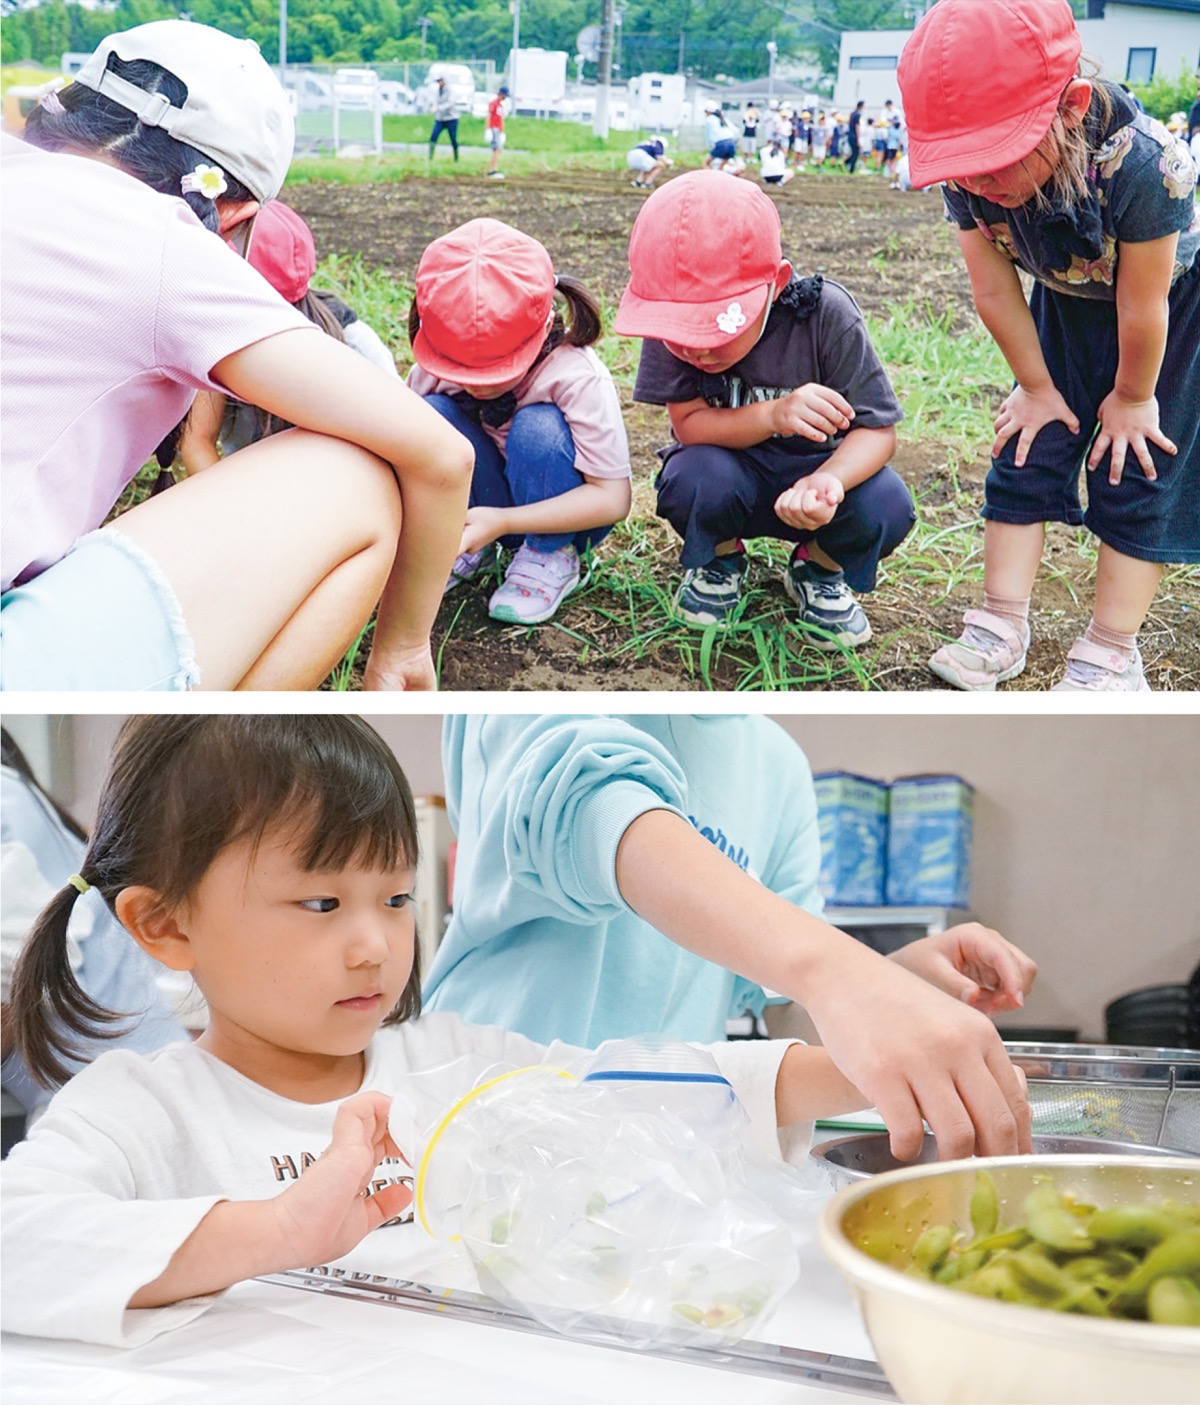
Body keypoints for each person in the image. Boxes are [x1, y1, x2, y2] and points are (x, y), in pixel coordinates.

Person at [1, 713, 888, 1347]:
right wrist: (274, 1231)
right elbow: (18, 1245)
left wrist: (859, 1062)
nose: (374, 944)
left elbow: (627, 1083)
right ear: (165, 924)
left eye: (393, 898)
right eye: (320, 901)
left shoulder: (449, 1062)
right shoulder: (140, 1109)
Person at [0, 21, 472, 693]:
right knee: (354, 477)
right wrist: (401, 645)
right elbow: (442, 454)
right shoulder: (159, 242)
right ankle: (200, 746)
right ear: (235, 209)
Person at [425, 714, 1036, 1165]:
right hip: (483, 1117)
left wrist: (895, 982)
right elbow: (592, 810)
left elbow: (782, 1005)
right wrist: (845, 974)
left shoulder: (777, 762)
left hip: (653, 1151)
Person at [898, 0, 1200, 692]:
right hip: (1066, 303)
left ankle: (1110, 655)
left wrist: (1132, 397)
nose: (978, 186)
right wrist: (1035, 386)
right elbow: (996, 292)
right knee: (1026, 445)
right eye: (962, 168)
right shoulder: (969, 177)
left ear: (1071, 107)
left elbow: (1143, 302)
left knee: (1135, 463)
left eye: (995, 164)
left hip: (1171, 316)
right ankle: (1001, 624)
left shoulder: (1147, 167)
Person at [613, 171, 915, 646]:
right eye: (683, 332)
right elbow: (689, 426)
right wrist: (774, 414)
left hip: (817, 486)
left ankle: (817, 567)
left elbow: (878, 431)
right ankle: (720, 558)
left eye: (716, 329)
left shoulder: (825, 315)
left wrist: (829, 482)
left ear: (776, 284)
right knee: (691, 478)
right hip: (731, 476)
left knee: (886, 503)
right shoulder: (668, 328)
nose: (698, 352)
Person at [406, 219, 632, 625]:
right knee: (433, 415)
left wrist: (505, 521)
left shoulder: (576, 377)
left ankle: (549, 555)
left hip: (564, 515)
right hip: (482, 512)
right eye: (460, 370)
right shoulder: (432, 369)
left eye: (496, 371)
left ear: (544, 328)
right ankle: (467, 545)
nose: (476, 387)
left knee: (538, 428)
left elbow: (613, 499)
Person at [1, 728, 188, 1126]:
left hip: (112, 1112)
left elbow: (8, 1005)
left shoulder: (6, 806)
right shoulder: (14, 794)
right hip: (122, 1095)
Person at [178, 200, 397, 476]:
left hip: (340, 487)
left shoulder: (351, 340)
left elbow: (404, 437)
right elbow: (197, 442)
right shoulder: (220, 342)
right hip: (254, 489)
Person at [702, 101, 742, 173]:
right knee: (721, 167)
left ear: (708, 111)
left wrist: (710, 146)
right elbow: (736, 131)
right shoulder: (723, 119)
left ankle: (711, 179)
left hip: (721, 143)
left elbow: (707, 135)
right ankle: (739, 169)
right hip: (731, 142)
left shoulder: (709, 119)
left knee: (705, 163)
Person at [428, 76, 460, 162]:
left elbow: (450, 103)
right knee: (433, 136)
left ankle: (456, 158)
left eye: (441, 80)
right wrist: (433, 107)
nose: (440, 82)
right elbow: (435, 101)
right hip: (440, 119)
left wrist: (438, 108)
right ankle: (430, 158)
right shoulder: (437, 91)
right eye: (438, 81)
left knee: (453, 139)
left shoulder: (450, 90)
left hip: (451, 118)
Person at [485, 83, 509, 179]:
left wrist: (502, 131)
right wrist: (488, 129)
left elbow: (501, 119)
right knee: (497, 149)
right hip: (494, 128)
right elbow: (489, 115)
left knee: (498, 150)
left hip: (498, 129)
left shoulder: (500, 106)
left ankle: (493, 169)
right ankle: (492, 170)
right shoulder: (493, 104)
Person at [845, 99, 865, 173]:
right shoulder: (857, 115)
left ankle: (847, 162)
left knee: (854, 152)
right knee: (856, 152)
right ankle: (850, 167)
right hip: (854, 135)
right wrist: (858, 138)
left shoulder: (852, 114)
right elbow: (857, 126)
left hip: (850, 134)